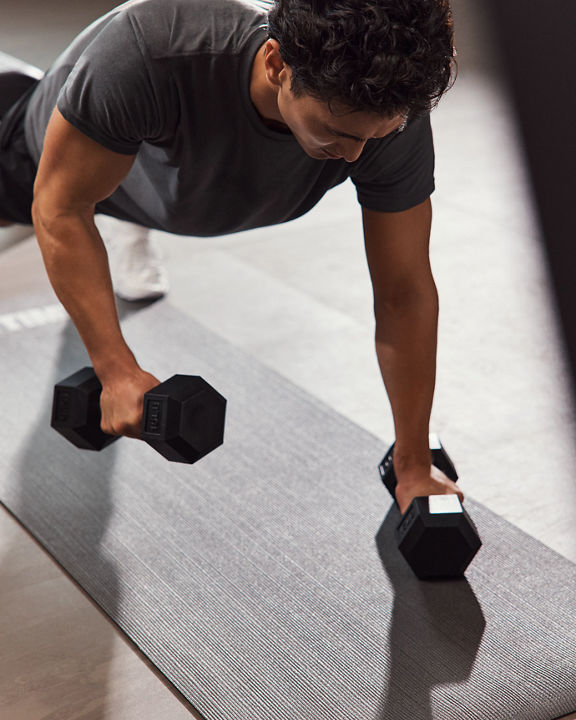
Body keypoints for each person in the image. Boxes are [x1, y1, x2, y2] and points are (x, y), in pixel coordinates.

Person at [0, 0, 462, 514]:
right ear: (276, 64)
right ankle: (115, 194)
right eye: (341, 134)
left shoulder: (390, 122)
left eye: (375, 136)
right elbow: (59, 209)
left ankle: (125, 203)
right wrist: (116, 369)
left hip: (158, 170)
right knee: (70, 191)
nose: (356, 156)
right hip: (33, 153)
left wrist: (414, 465)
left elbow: (405, 291)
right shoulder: (151, 49)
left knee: (112, 166)